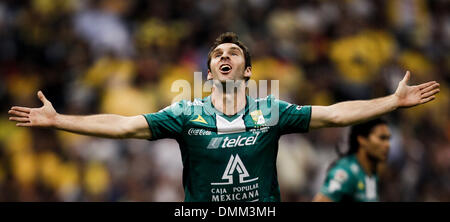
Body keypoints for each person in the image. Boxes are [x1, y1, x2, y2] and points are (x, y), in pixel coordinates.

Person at [8, 32, 440, 202]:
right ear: (210, 71)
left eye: (233, 53)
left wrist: (390, 101)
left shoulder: (271, 111)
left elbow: (334, 115)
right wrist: (59, 120)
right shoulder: (185, 113)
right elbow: (122, 125)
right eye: (217, 55)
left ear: (248, 70)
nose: (224, 57)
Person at [313, 118, 390, 202]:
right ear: (362, 139)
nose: (387, 145)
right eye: (382, 138)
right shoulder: (347, 172)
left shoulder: (372, 174)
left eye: (388, 139)